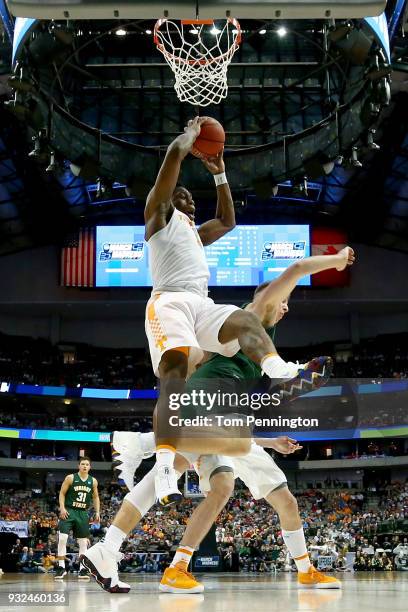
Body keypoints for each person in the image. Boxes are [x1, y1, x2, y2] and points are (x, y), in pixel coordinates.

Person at [82, 248, 353, 592]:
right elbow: (297, 268)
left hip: (222, 412)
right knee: (218, 454)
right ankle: (142, 443)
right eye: (283, 299)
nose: (286, 306)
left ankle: (114, 549)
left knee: (231, 486)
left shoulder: (248, 340)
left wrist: (300, 389)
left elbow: (239, 386)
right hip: (207, 403)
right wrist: (338, 259)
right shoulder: (255, 313)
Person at [143, 116, 334, 505]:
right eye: (185, 196)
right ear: (169, 199)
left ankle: (278, 369)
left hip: (200, 304)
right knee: (175, 373)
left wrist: (220, 174)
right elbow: (173, 156)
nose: (190, 201)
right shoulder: (158, 218)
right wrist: (190, 137)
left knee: (245, 318)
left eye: (193, 198)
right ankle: (164, 466)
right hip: (168, 302)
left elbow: (228, 220)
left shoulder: (195, 234)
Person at [55, 456, 100, 580]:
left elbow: (95, 497)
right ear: (78, 466)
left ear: (90, 467)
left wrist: (97, 512)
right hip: (69, 510)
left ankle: (83, 569)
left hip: (82, 512)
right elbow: (62, 493)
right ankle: (61, 567)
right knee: (63, 538)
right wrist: (62, 508)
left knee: (83, 542)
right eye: (83, 464)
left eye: (87, 464)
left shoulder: (93, 481)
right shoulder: (70, 478)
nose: (85, 466)